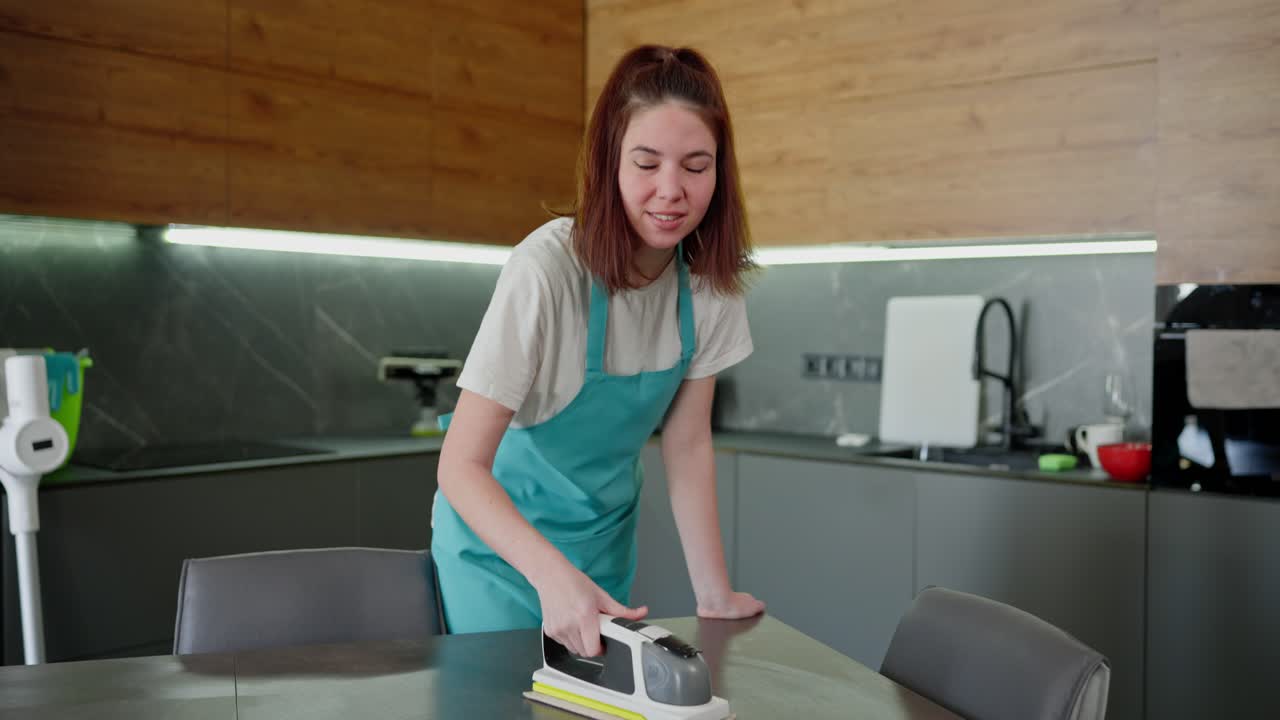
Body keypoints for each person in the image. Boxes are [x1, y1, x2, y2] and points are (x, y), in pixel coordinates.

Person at [432, 44, 765, 658]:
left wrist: (713, 595)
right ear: (609, 161)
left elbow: (687, 446)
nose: (671, 191)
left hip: (601, 547)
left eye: (697, 166)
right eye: (646, 163)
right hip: (498, 554)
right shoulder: (548, 270)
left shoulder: (710, 286)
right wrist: (552, 578)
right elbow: (459, 466)